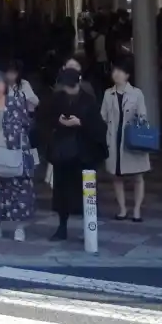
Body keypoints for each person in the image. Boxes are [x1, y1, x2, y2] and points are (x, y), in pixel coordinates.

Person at [44, 66, 105, 241]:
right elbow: (46, 118)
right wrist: (59, 121)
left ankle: (89, 229)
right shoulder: (57, 99)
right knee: (62, 191)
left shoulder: (88, 101)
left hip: (83, 153)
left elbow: (98, 128)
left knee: (85, 192)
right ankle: (62, 227)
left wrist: (81, 123)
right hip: (63, 151)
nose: (67, 89)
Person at [0, 71, 36, 241]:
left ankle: (20, 228)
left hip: (15, 153)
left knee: (20, 191)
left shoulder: (15, 102)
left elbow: (26, 123)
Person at [100, 59, 152, 221]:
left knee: (137, 176)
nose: (116, 74)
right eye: (114, 71)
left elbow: (143, 115)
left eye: (120, 71)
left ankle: (137, 209)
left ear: (127, 75)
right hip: (114, 139)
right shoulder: (108, 93)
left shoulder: (137, 93)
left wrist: (139, 120)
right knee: (116, 176)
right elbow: (103, 116)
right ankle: (122, 209)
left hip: (132, 139)